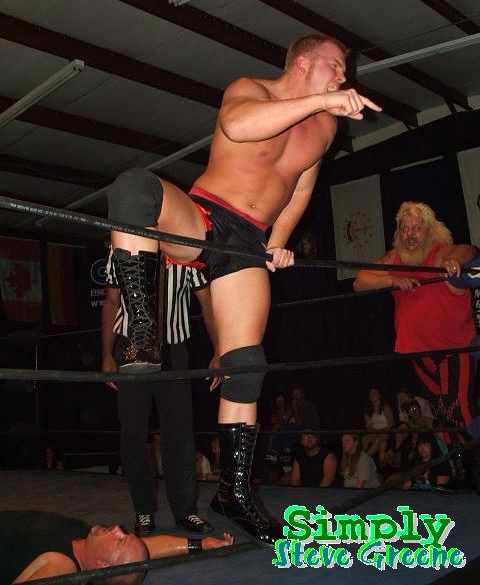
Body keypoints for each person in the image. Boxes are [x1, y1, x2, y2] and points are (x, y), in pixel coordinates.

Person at [107, 32, 381, 543]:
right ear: (303, 62)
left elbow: (301, 186)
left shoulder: (325, 128)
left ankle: (233, 492)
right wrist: (323, 101)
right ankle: (142, 332)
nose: (344, 76)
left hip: (249, 244)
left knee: (247, 365)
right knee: (133, 188)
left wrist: (277, 242)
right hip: (205, 217)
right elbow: (237, 125)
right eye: (335, 65)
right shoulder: (250, 89)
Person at [102, 252, 218, 536]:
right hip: (130, 346)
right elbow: (112, 300)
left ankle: (186, 511)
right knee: (132, 434)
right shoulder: (123, 246)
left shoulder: (185, 247)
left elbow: (207, 301)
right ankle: (143, 510)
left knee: (180, 433)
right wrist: (106, 354)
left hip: (173, 348)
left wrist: (219, 350)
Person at [354, 201, 479, 439]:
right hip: (420, 353)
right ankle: (458, 460)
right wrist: (392, 280)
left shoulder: (439, 252)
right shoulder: (394, 258)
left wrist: (455, 261)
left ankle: (470, 458)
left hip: (455, 350)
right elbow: (359, 281)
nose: (409, 234)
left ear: (429, 231)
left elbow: (469, 250)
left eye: (416, 228)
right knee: (441, 414)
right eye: (404, 228)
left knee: (458, 410)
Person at [0, 510, 233, 584]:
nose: (119, 528)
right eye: (126, 535)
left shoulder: (63, 567)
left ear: (102, 565)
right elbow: (147, 549)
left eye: (119, 539)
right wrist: (201, 544)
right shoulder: (86, 541)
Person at [362, 387, 394, 459]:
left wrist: (381, 431)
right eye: (371, 393)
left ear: (379, 395)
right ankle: (363, 454)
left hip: (386, 432)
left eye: (374, 393)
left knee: (378, 439)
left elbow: (391, 424)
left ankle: (366, 457)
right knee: (364, 438)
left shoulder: (385, 407)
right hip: (375, 432)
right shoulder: (368, 410)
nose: (372, 395)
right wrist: (372, 430)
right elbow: (368, 426)